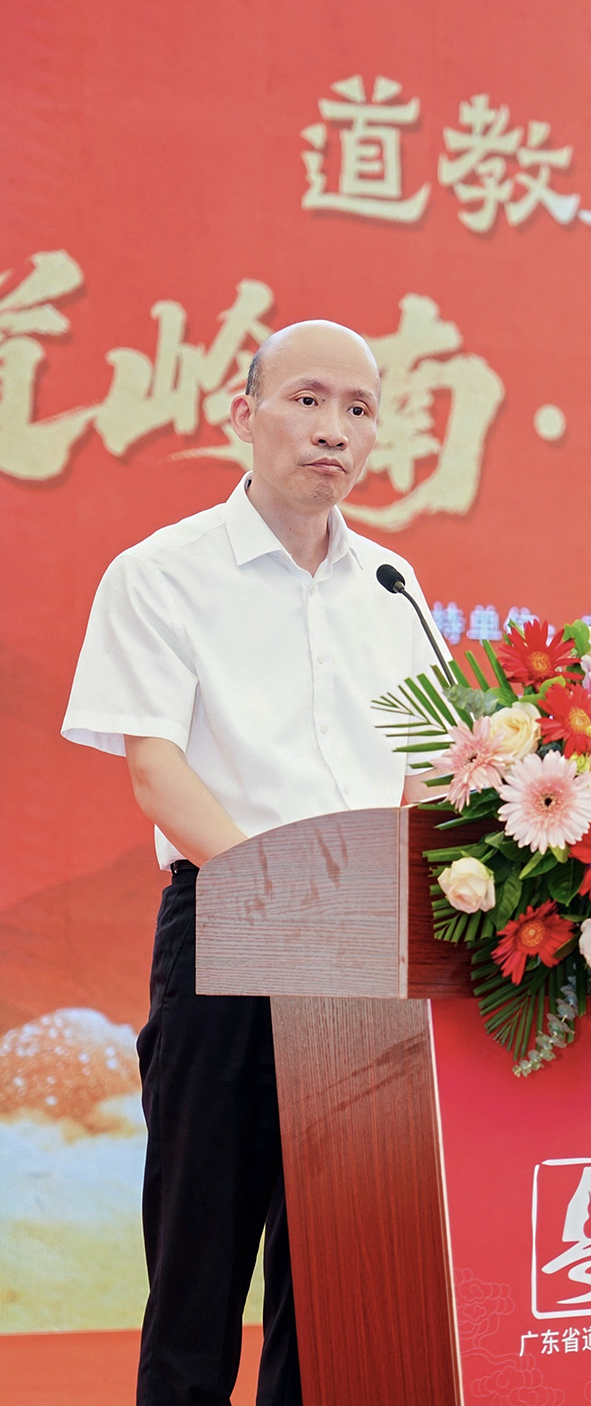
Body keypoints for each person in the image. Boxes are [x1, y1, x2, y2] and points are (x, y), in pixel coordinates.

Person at [62, 320, 437, 1406]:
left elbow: (431, 768)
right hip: (230, 926)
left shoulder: (392, 584)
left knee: (339, 1285)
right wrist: (289, 897)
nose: (333, 430)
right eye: (307, 399)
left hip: (367, 947)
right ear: (244, 413)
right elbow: (157, 771)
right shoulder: (162, 574)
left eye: (358, 409)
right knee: (200, 1268)